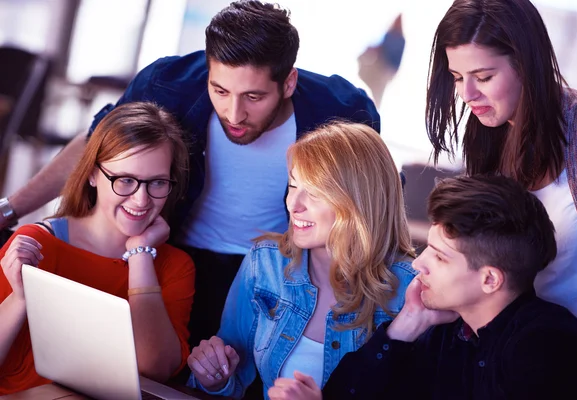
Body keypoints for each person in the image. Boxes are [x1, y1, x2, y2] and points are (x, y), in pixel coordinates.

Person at [0, 0, 381, 350]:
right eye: (220, 90)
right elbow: (95, 147)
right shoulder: (168, 83)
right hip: (177, 258)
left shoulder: (342, 110)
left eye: (253, 97)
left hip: (278, 277)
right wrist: (10, 210)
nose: (234, 114)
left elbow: (372, 199)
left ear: (288, 82)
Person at [312, 175, 577, 400]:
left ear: (490, 280)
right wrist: (409, 322)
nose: (418, 264)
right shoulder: (447, 330)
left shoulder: (547, 346)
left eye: (439, 256)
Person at [186, 122, 416, 399]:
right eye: (293, 185)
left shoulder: (409, 289)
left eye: (315, 193)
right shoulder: (265, 263)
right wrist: (213, 379)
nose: (293, 204)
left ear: (359, 202)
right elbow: (232, 379)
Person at [425, 0, 577, 344]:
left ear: (526, 64)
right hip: (522, 354)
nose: (467, 94)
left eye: (484, 77)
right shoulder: (487, 134)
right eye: (457, 78)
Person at [0, 102, 195, 395]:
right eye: (125, 180)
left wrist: (140, 255)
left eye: (157, 183)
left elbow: (154, 368)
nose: (141, 200)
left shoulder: (175, 266)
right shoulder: (38, 243)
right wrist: (20, 298)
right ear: (92, 174)